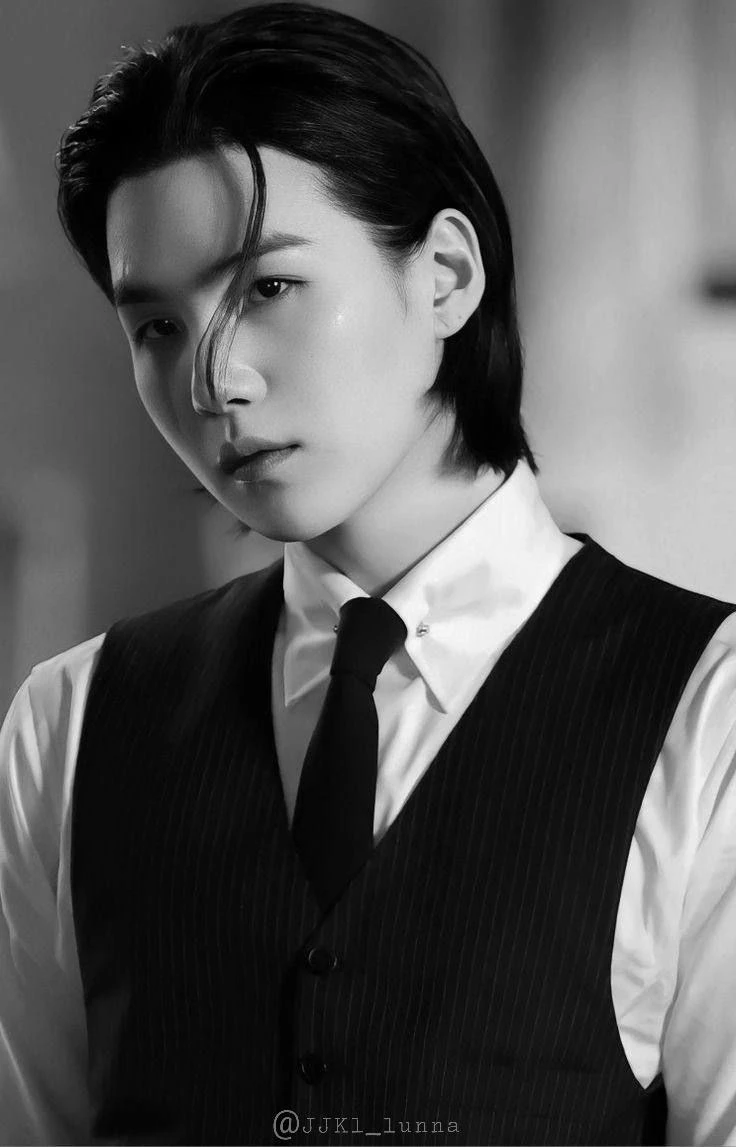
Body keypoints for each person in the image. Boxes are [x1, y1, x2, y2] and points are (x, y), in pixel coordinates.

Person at [1, 2, 735, 1144]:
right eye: (156, 327)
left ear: (444, 275)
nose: (213, 381)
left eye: (267, 288)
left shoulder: (710, 707)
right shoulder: (72, 719)